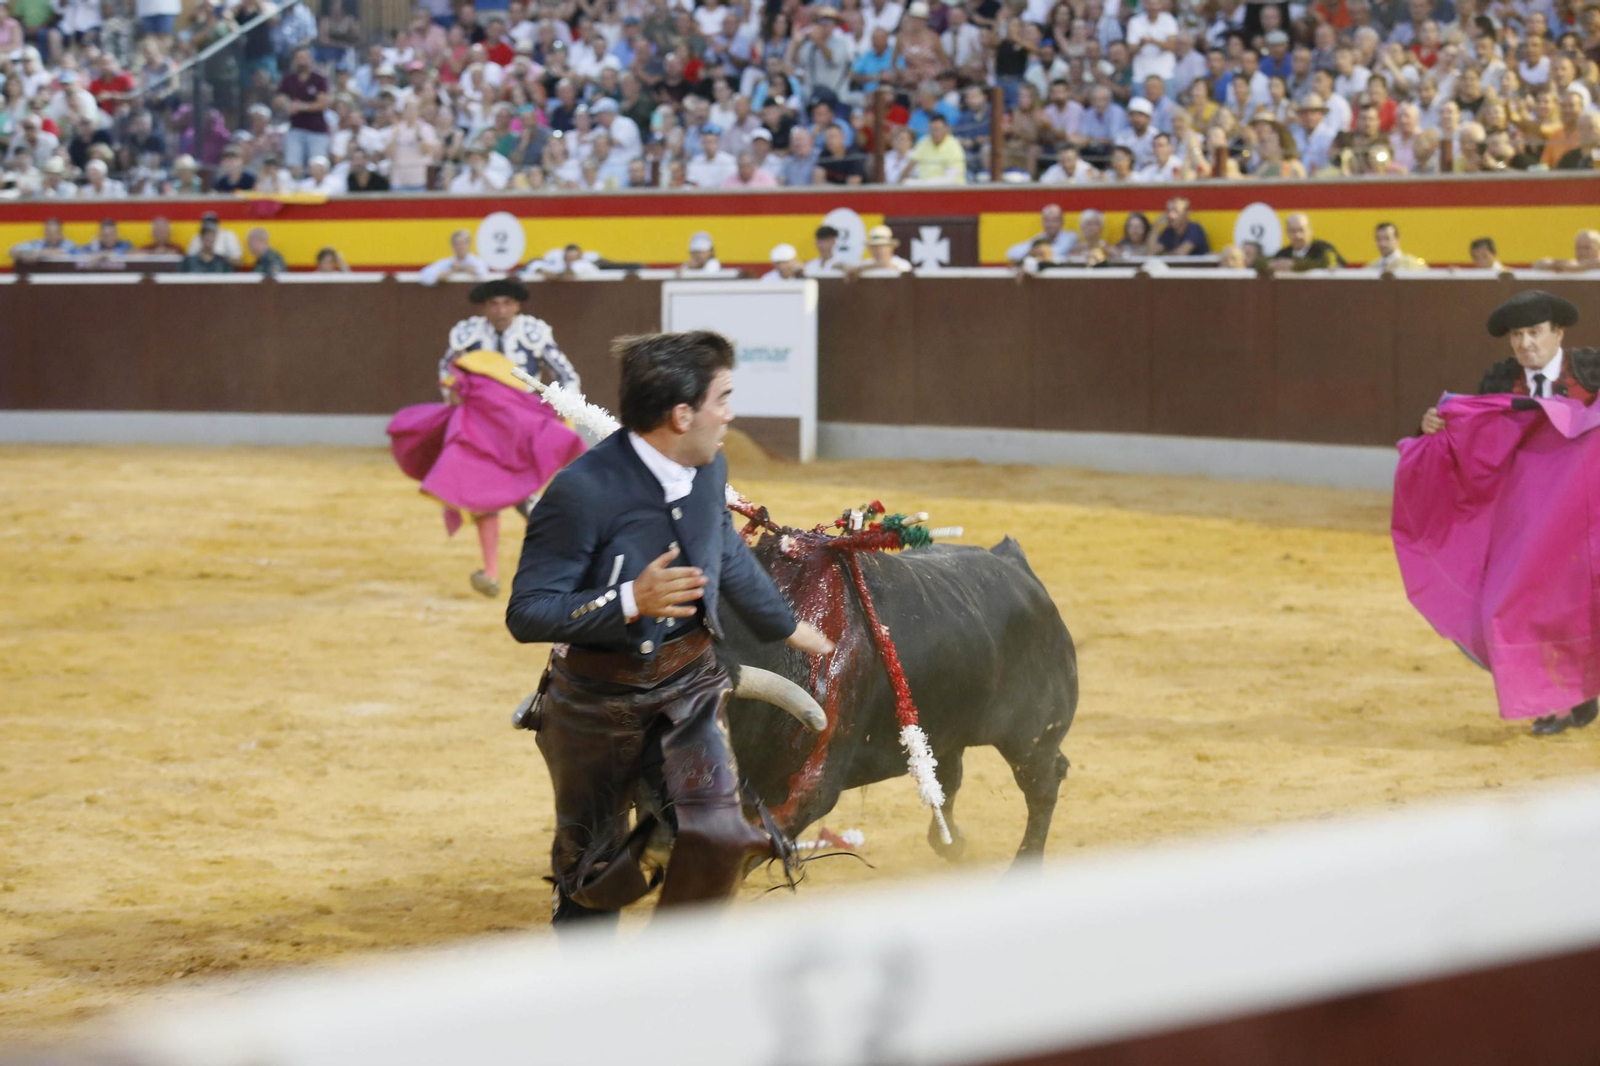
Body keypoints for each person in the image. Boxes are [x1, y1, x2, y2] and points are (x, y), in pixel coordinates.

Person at [505, 330, 834, 928]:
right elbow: (529, 611)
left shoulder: (709, 469)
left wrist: (784, 625)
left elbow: (724, 554)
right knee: (591, 879)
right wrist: (632, 597)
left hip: (688, 687)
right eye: (723, 398)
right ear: (682, 415)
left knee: (717, 837)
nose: (731, 414)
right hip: (596, 706)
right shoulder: (581, 491)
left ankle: (676, 977)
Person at [1416, 291, 1599, 735]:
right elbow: (1477, 439)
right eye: (1517, 336)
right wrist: (1433, 428)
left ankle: (1578, 688)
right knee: (1520, 602)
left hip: (1589, 514)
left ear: (1558, 333)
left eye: (1534, 333)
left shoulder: (1592, 370)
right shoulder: (1500, 380)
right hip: (1529, 518)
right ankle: (1555, 700)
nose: (1524, 344)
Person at [389, 278, 585, 598]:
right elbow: (447, 369)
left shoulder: (533, 332)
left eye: (506, 303)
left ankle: (561, 560)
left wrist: (558, 407)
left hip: (522, 424)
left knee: (529, 497)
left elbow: (566, 375)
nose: (500, 310)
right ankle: (492, 571)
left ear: (517, 306)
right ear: (484, 308)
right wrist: (451, 392)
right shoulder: (469, 334)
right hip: (483, 425)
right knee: (484, 490)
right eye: (494, 304)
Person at [1269, 212, 1346, 272]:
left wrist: (1296, 266)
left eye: (1301, 230)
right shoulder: (1283, 254)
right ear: (1287, 232)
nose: (1297, 235)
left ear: (1309, 230)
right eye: (1293, 231)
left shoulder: (1323, 248)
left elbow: (1338, 264)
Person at [1006, 204, 1077, 264]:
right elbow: (1011, 253)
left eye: (1054, 221)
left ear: (1062, 222)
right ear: (1042, 223)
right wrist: (1030, 252)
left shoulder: (1070, 237)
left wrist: (1036, 253)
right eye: (1047, 221)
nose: (1050, 225)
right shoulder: (1040, 237)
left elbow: (1057, 254)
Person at [908, 113, 967, 183]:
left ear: (946, 128)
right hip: (923, 188)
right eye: (931, 129)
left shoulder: (954, 146)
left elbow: (951, 178)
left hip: (948, 190)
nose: (934, 133)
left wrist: (925, 183)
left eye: (937, 129)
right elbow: (911, 166)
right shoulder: (923, 142)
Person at [419, 230, 491, 285]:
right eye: (457, 243)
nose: (460, 247)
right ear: (452, 245)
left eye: (463, 243)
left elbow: (482, 273)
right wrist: (450, 272)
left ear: (469, 244)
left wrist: (462, 268)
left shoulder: (478, 261)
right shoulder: (447, 263)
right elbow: (425, 275)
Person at [1533, 230, 1600, 273]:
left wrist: (1566, 266)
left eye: (1587, 248)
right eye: (1578, 248)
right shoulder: (1570, 265)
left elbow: (1593, 264)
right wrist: (1556, 265)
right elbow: (1538, 264)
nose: (1582, 252)